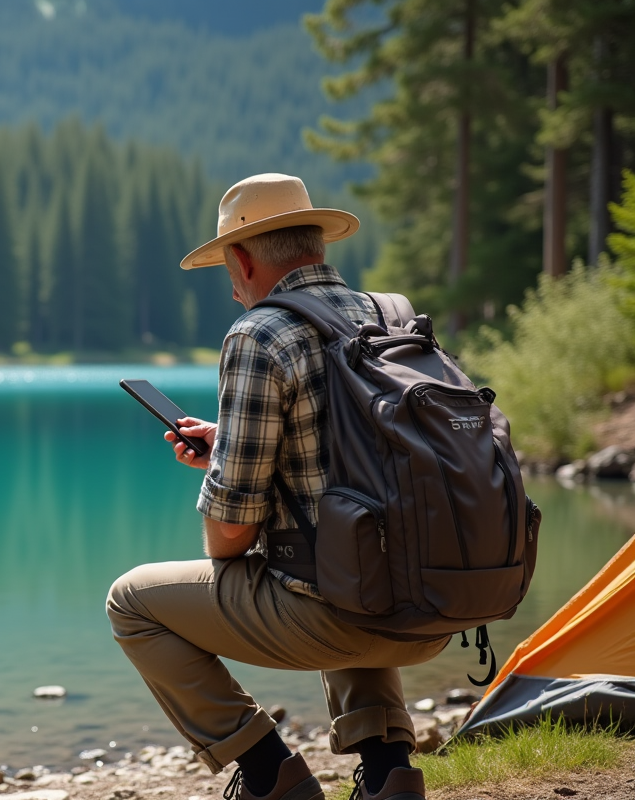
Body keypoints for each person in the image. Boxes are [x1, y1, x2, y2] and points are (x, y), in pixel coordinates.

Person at [106, 174, 447, 800]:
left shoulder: (260, 333)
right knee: (349, 547)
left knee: (131, 603)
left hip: (343, 615)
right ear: (316, 243)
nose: (233, 288)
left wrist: (223, 472)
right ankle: (389, 773)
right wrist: (234, 444)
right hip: (435, 603)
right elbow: (362, 464)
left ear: (241, 258)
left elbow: (229, 539)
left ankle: (268, 775)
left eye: (226, 269)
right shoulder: (392, 317)